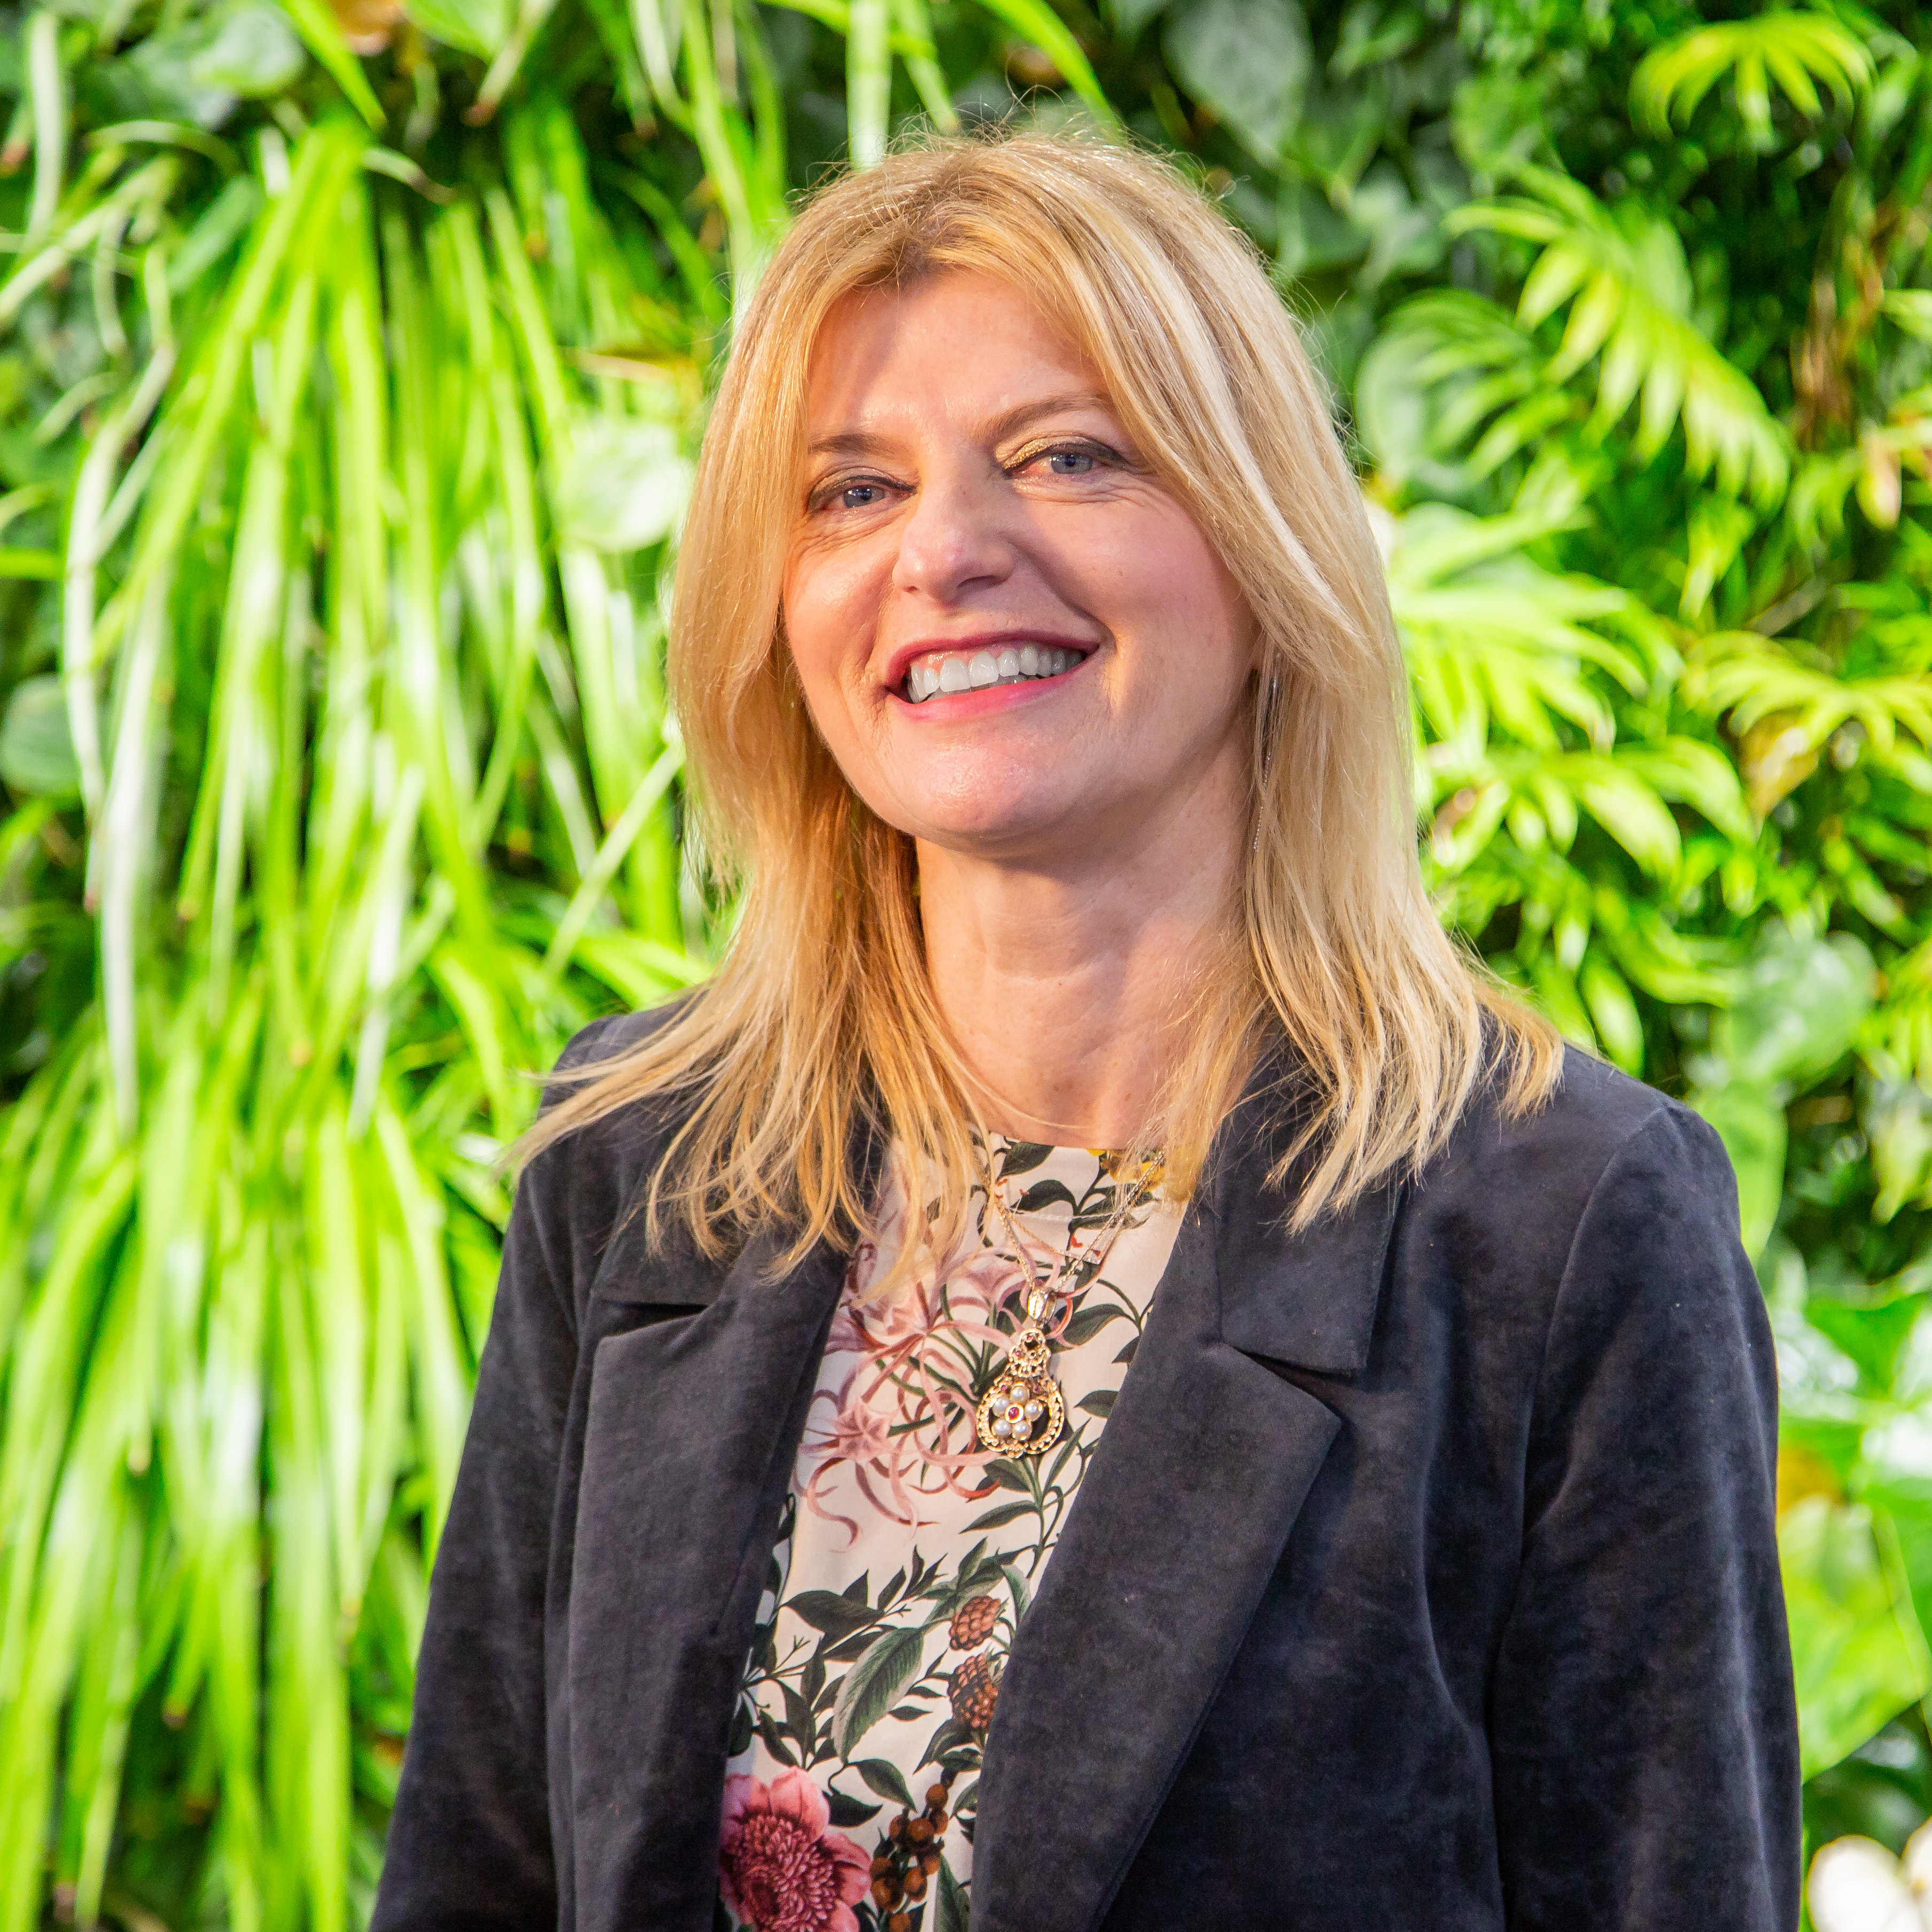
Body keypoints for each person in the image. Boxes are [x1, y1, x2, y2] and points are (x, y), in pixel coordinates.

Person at [370, 133, 1799, 1932]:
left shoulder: (1564, 1223)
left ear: (1266, 550)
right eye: (852, 491)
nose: (945, 553)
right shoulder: (644, 1160)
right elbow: (479, 1880)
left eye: (1068, 456)